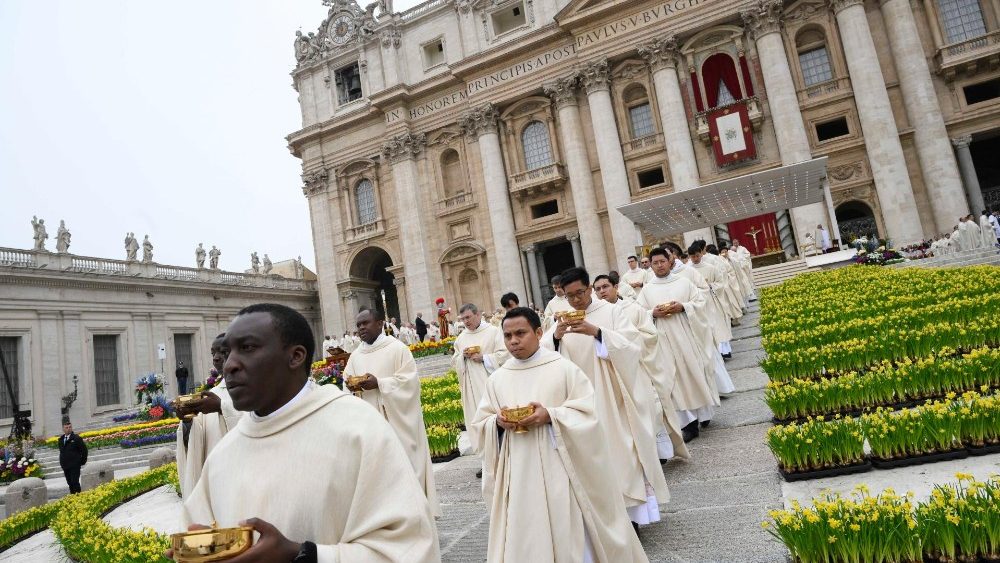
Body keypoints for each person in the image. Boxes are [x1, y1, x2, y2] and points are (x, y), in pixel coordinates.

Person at [181, 304, 439, 561]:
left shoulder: (358, 430)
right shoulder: (223, 454)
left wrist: (304, 555)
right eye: (227, 352)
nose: (229, 366)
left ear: (296, 356)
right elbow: (197, 528)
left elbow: (411, 546)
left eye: (247, 348)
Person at [469, 307, 649, 563]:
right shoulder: (497, 379)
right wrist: (497, 422)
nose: (514, 341)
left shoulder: (564, 369)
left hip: (561, 468)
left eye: (520, 333)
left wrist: (551, 416)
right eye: (508, 336)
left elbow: (589, 414)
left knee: (569, 531)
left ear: (539, 332)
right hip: (518, 471)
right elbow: (480, 424)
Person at [542, 267, 669, 530]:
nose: (576, 300)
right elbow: (544, 352)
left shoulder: (612, 312)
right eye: (569, 296)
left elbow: (632, 346)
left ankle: (631, 517)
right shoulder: (561, 322)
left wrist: (597, 333)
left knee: (621, 453)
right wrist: (556, 336)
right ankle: (601, 518)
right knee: (590, 460)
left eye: (580, 293)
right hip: (578, 401)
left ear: (589, 289)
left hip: (612, 397)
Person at [343, 308, 440, 516]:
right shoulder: (356, 355)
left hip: (397, 423)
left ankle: (414, 517)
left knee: (404, 470)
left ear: (379, 323)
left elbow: (410, 383)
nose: (361, 328)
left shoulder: (397, 349)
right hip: (369, 426)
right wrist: (351, 387)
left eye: (365, 323)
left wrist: (380, 383)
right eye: (358, 325)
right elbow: (347, 382)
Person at [594, 274, 689, 463]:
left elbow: (649, 335)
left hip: (637, 368)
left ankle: (658, 454)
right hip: (610, 374)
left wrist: (623, 345)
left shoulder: (633, 309)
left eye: (605, 286)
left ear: (616, 287)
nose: (602, 291)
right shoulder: (596, 316)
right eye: (597, 289)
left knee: (648, 411)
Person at [637, 248, 721, 442]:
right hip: (662, 339)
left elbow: (700, 303)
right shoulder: (647, 289)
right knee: (671, 379)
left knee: (693, 372)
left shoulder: (684, 282)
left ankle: (703, 414)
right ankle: (688, 423)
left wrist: (683, 307)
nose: (659, 265)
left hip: (686, 335)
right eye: (655, 263)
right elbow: (639, 314)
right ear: (651, 265)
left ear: (670, 261)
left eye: (662, 261)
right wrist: (652, 314)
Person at [175, 333, 243, 498]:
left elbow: (259, 426)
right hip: (217, 483)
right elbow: (197, 439)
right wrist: (187, 421)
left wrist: (221, 407)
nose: (216, 358)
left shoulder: (256, 389)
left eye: (222, 352)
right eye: (213, 354)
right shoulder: (211, 394)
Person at [451, 303, 508, 478]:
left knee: (493, 421)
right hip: (470, 389)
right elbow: (454, 361)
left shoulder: (493, 331)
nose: (465, 322)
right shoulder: (461, 338)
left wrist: (484, 358)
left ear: (477, 315)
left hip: (490, 386)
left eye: (468, 317)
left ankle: (503, 461)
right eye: (462, 319)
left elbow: (504, 354)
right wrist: (463, 356)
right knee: (477, 423)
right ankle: (486, 462)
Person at [58, 421, 87, 494]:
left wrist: (82, 461)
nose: (68, 429)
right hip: (65, 465)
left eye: (70, 427)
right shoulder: (61, 440)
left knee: (75, 482)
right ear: (63, 429)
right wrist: (62, 463)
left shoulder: (76, 438)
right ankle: (73, 498)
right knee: (69, 483)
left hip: (75, 465)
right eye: (66, 427)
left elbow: (84, 450)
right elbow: (62, 452)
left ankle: (78, 498)